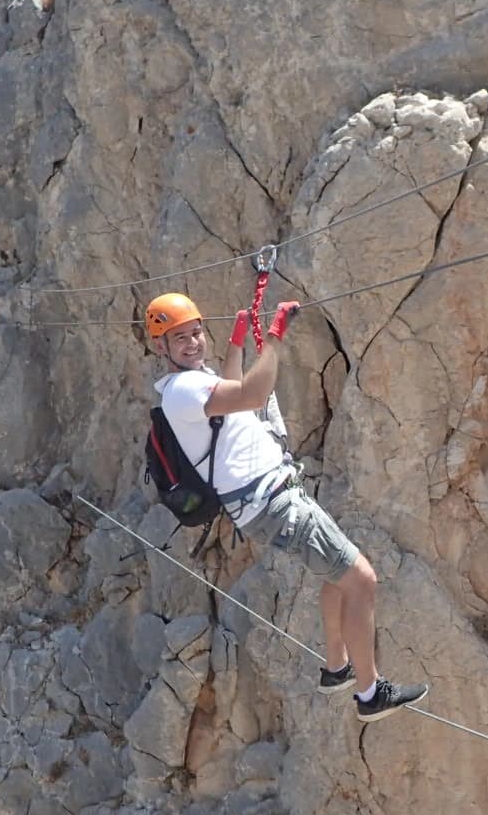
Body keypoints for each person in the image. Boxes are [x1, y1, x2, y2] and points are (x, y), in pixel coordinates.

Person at [145, 291, 429, 721]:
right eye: (178, 337)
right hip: (274, 503)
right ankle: (371, 694)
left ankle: (337, 669)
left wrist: (238, 341)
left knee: (338, 575)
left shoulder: (195, 383)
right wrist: (274, 337)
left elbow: (232, 396)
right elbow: (254, 395)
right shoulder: (183, 391)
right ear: (159, 346)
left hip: (268, 502)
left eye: (197, 332)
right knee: (362, 580)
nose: (192, 342)